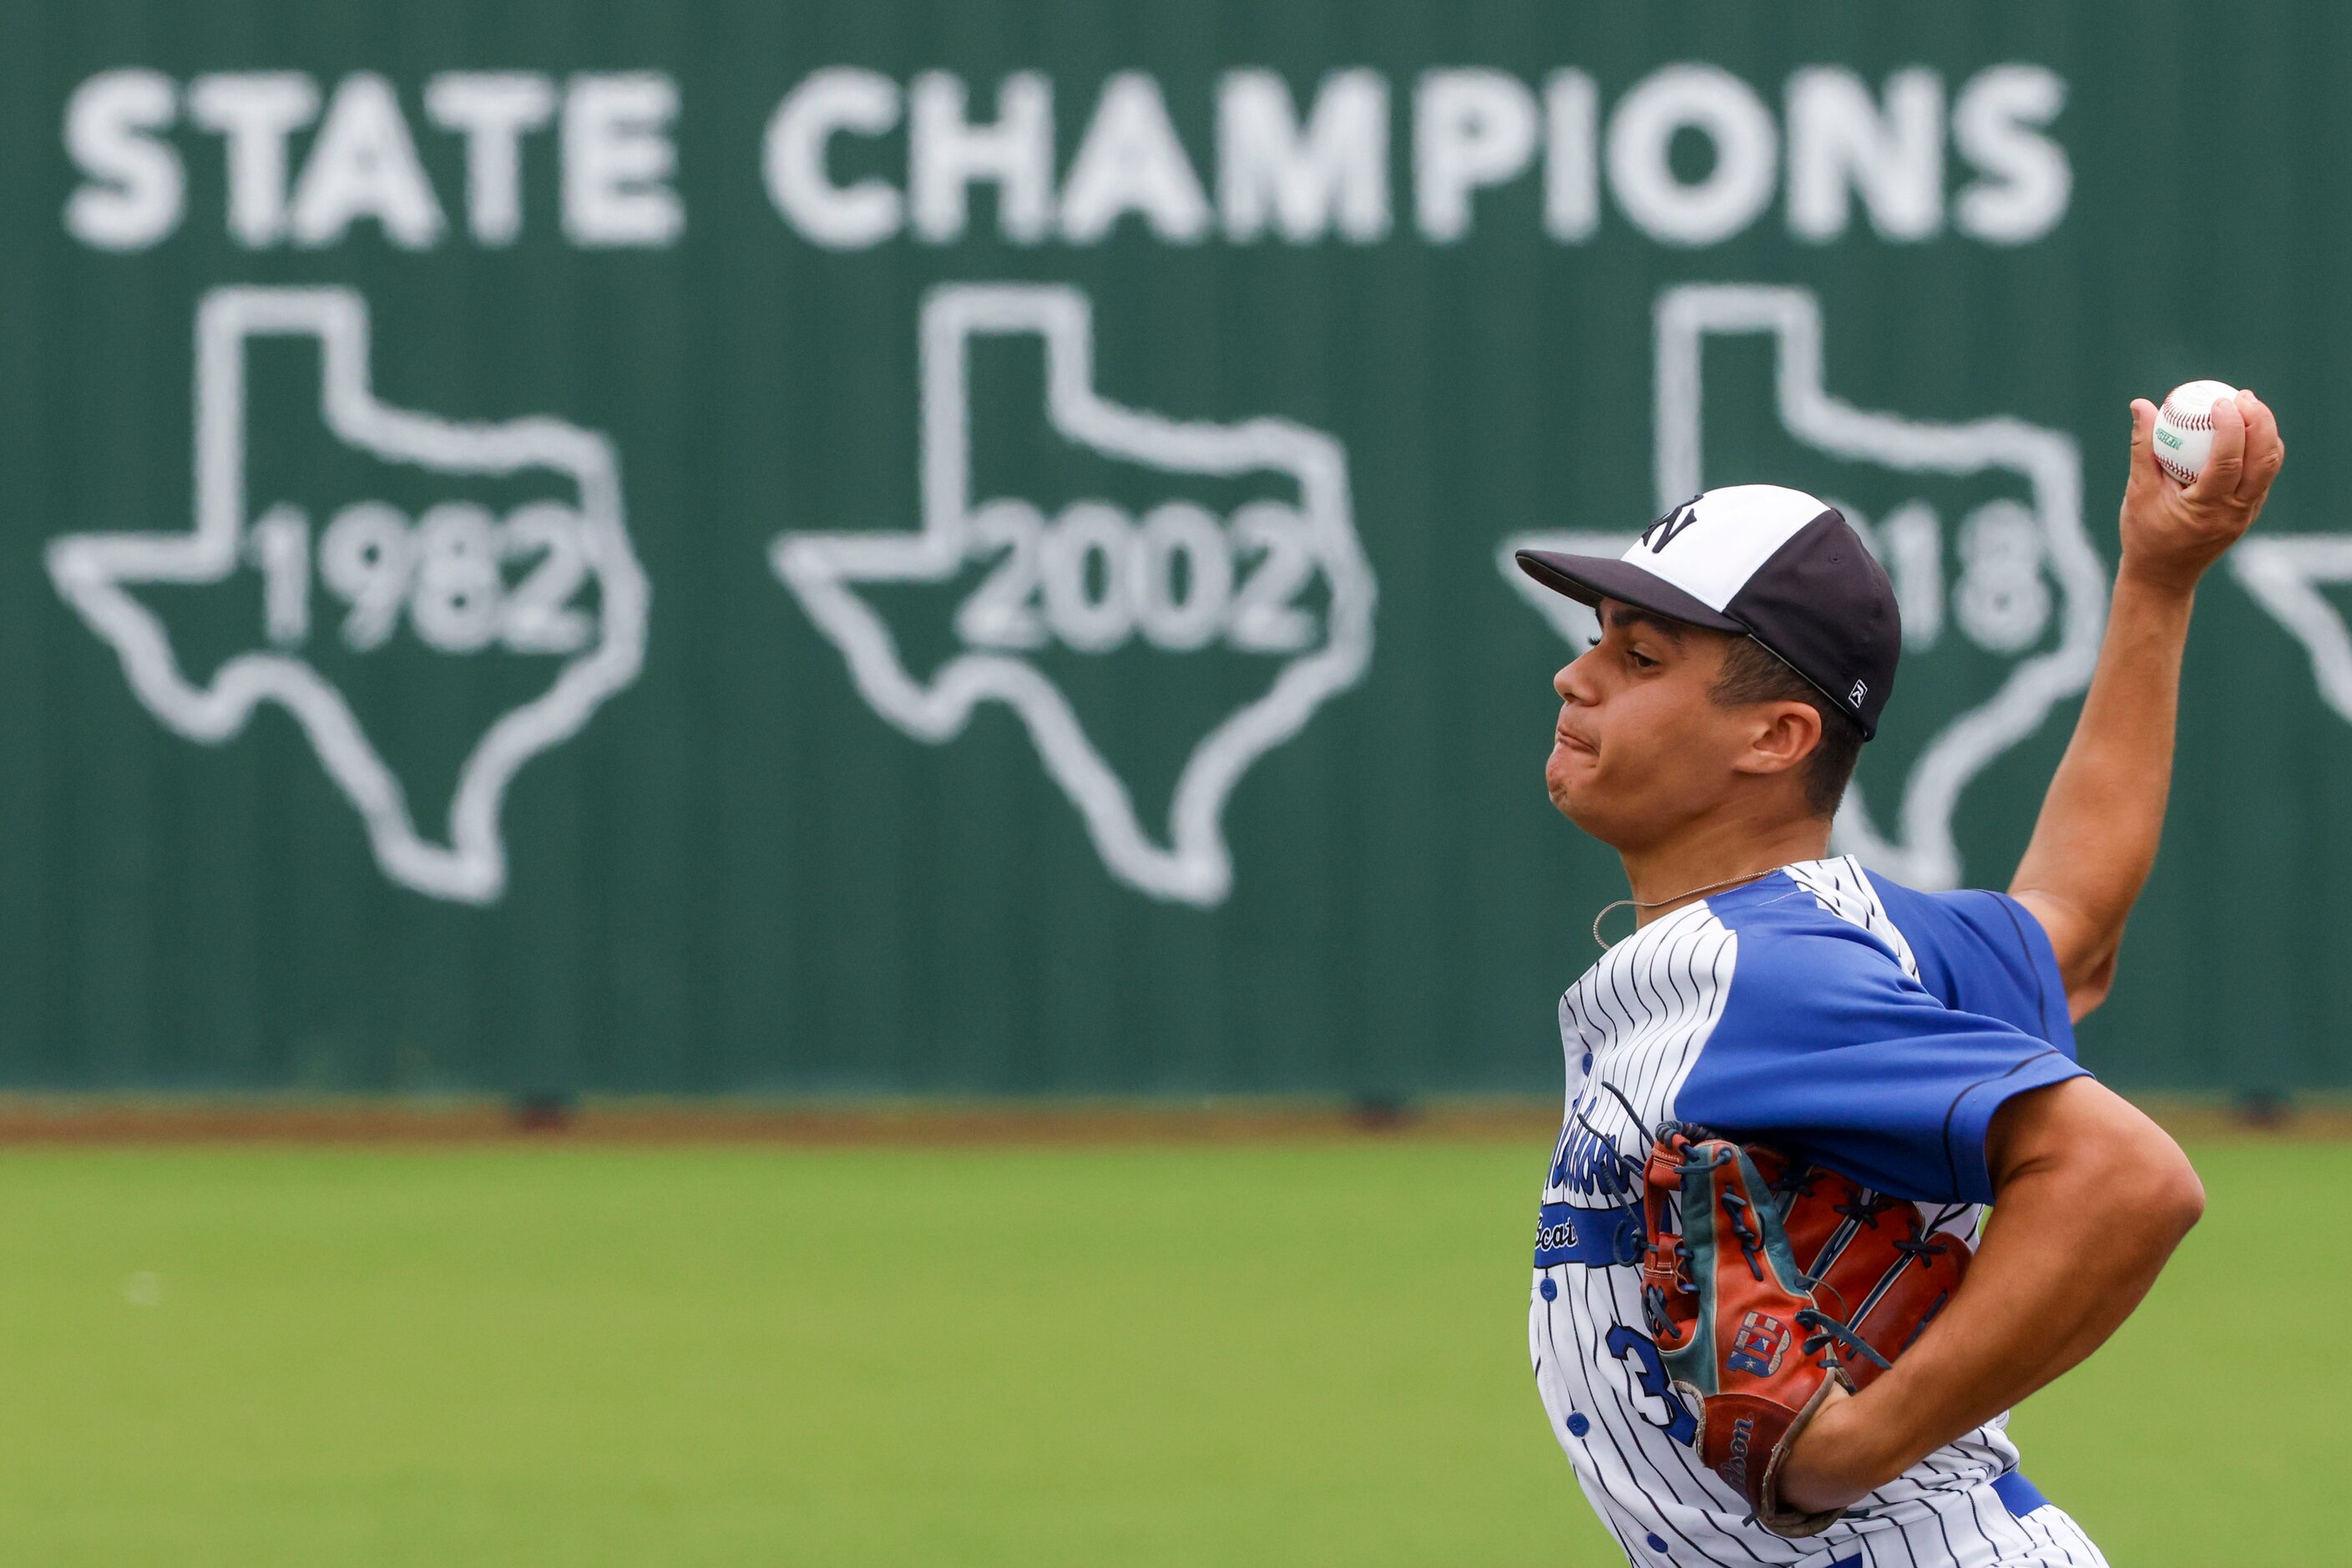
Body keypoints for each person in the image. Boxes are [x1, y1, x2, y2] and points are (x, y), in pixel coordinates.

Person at [1510, 389, 2284, 1565]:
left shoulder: (1753, 975)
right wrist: (2157, 583)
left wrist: (1847, 1450)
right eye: (1593, 639)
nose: (1579, 679)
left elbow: (2127, 1178)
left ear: (1774, 738)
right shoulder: (1856, 934)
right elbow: (2068, 926)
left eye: (1640, 654)